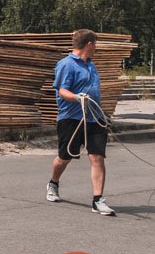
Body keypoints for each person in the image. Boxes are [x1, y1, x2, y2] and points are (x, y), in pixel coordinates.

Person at [47, 29, 115, 215]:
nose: (96, 48)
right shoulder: (66, 64)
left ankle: (98, 200)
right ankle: (53, 183)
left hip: (94, 118)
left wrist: (102, 113)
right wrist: (77, 97)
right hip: (71, 118)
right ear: (89, 44)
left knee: (97, 157)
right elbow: (62, 90)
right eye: (96, 44)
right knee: (65, 157)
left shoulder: (91, 65)